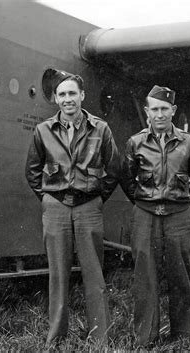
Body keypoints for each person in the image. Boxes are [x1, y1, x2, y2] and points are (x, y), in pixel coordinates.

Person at [25, 70, 120, 346]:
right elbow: (32, 171)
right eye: (62, 94)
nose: (68, 99)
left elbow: (113, 169)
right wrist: (46, 198)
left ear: (82, 96)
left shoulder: (100, 128)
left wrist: (99, 198)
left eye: (72, 94)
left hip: (89, 207)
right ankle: (55, 338)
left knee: (95, 273)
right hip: (55, 208)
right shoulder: (43, 130)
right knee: (57, 274)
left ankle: (100, 338)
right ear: (56, 98)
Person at [121, 85, 190, 346]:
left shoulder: (187, 142)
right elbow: (126, 178)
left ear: (174, 111)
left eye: (164, 109)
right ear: (147, 112)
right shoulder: (135, 142)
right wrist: (144, 199)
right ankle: (146, 337)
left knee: (180, 274)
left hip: (178, 215)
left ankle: (184, 334)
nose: (160, 114)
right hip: (145, 214)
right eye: (154, 109)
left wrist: (180, 201)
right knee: (145, 276)